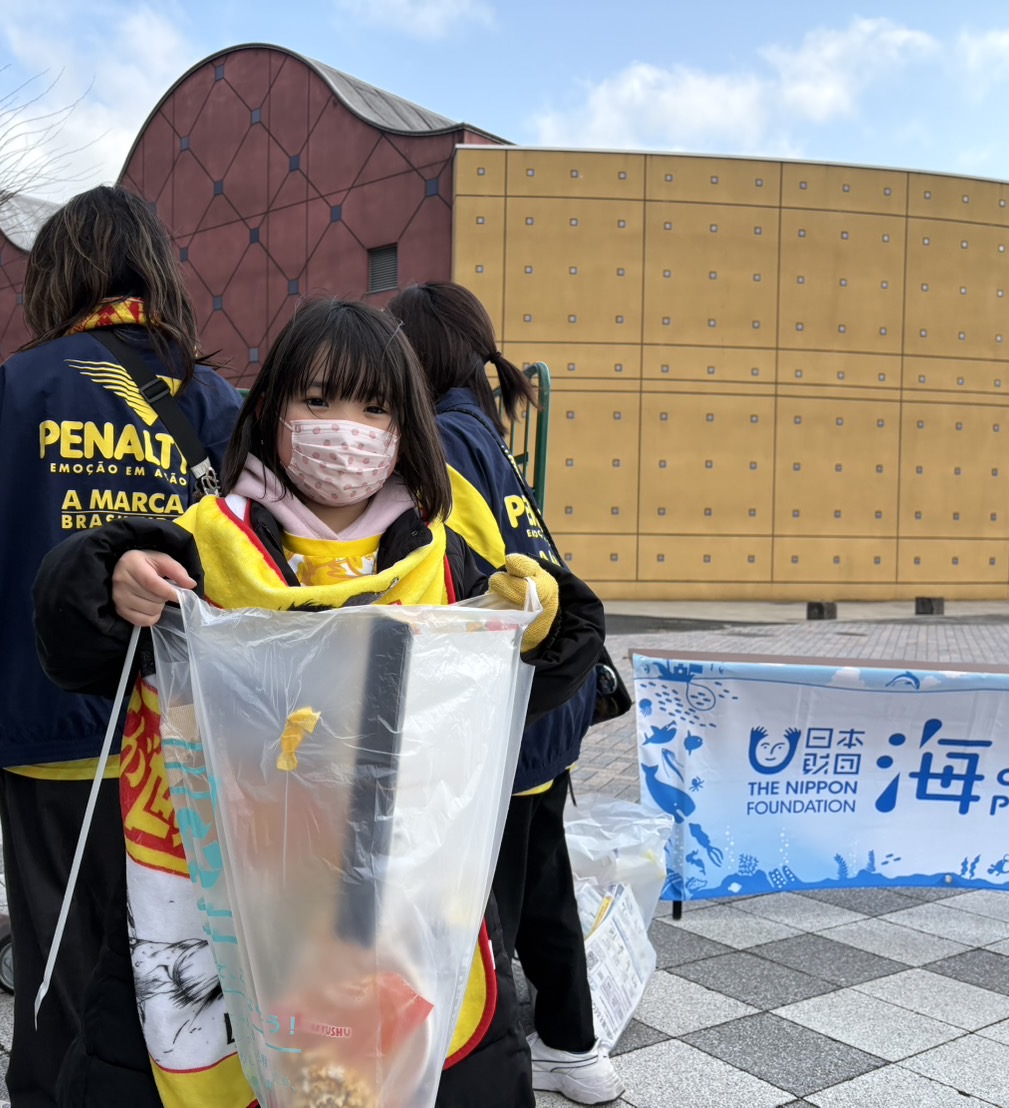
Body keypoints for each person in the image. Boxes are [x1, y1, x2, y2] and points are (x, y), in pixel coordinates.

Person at [31, 298, 606, 1108]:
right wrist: (108, 577)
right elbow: (74, 648)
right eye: (318, 399)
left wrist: (539, 622)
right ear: (271, 411)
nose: (346, 429)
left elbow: (529, 683)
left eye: (375, 407)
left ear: (406, 427)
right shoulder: (198, 548)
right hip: (218, 892)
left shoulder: (445, 561)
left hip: (403, 904)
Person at [0, 185, 242, 1108]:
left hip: (47, 713)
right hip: (182, 733)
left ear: (56, 277)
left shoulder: (18, 386)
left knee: (58, 940)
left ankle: (53, 1094)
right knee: (176, 944)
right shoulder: (215, 400)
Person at [387, 281, 625, 1105]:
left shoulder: (446, 442)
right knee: (543, 883)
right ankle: (574, 1050)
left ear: (414, 354)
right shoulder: (484, 433)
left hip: (507, 716)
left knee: (490, 914)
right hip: (544, 708)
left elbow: (453, 588)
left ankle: (495, 1070)